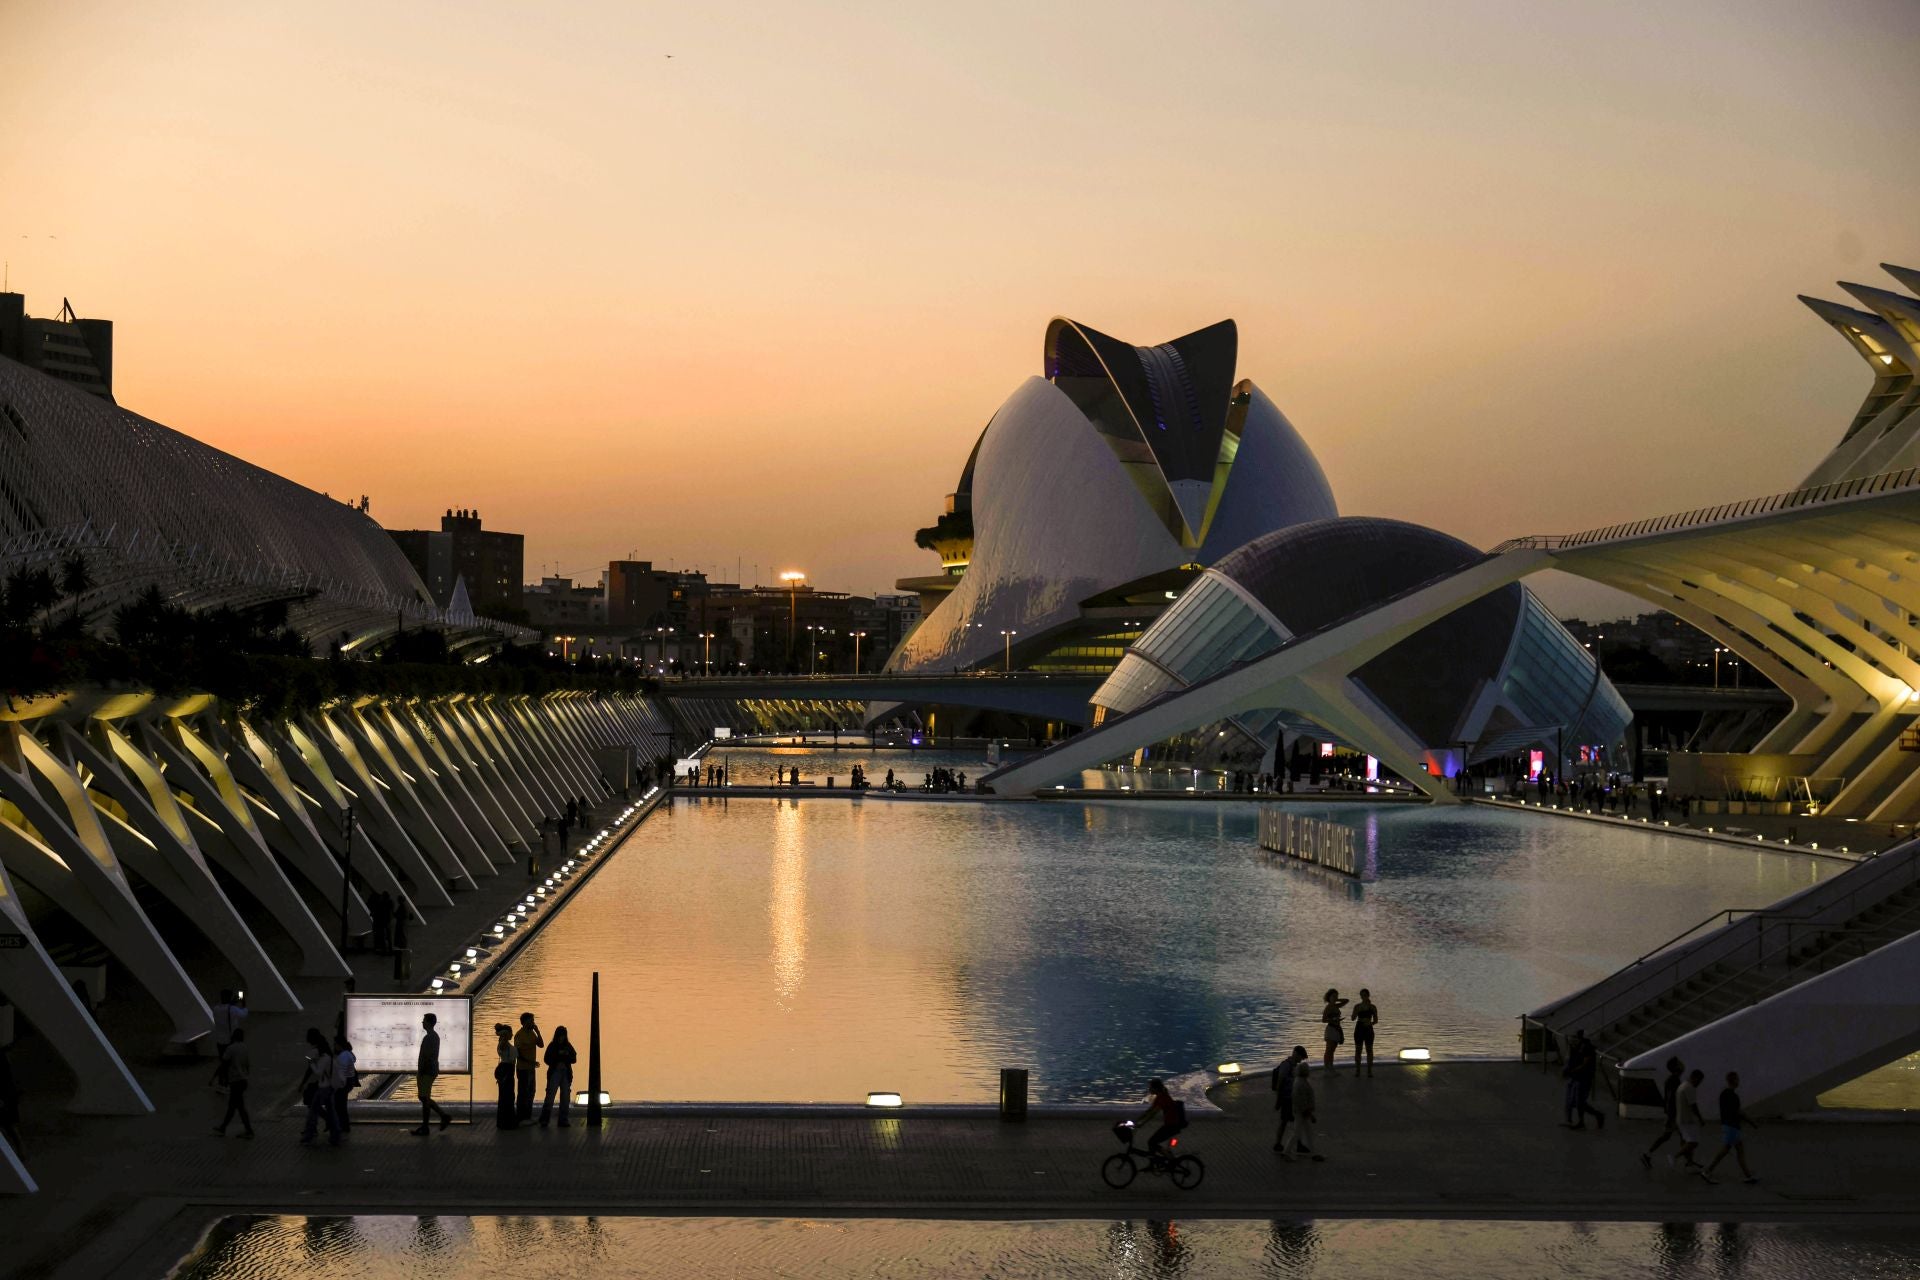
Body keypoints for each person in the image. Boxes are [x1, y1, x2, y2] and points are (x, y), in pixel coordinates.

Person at [1702, 1070, 1759, 1184]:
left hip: (1728, 1125)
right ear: (1734, 1080)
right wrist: (1752, 1122)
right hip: (1732, 1126)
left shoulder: (1723, 1094)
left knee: (1738, 1150)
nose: (1739, 1081)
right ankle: (1707, 1170)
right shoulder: (1733, 1096)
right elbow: (1739, 1112)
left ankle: (1748, 1175)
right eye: (1737, 1079)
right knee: (1726, 1150)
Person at [410, 1011, 452, 1136]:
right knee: (424, 1097)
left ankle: (428, 1125)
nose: (422, 1022)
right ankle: (439, 1118)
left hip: (427, 1071)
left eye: (424, 1020)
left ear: (428, 1022)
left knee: (424, 1098)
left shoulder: (430, 1037)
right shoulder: (433, 1036)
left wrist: (421, 1072)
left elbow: (426, 1056)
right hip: (429, 1070)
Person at [299, 1027, 341, 1146]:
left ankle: (309, 1135)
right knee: (330, 1112)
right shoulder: (326, 1056)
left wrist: (311, 1062)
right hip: (327, 1087)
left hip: (324, 1088)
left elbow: (317, 1072)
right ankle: (335, 1135)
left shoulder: (324, 1058)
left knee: (313, 1111)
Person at [1641, 1056, 1684, 1169]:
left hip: (1674, 1114)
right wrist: (1672, 1115)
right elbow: (1671, 1099)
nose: (1682, 1064)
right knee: (1678, 1137)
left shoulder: (1673, 1079)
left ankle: (1648, 1154)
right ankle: (1647, 1154)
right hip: (1674, 1114)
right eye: (1679, 1063)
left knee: (1672, 1136)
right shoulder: (1673, 1080)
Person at [212, 1028, 254, 1138]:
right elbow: (247, 1065)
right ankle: (223, 1127)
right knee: (236, 1106)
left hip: (235, 1081)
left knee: (237, 1107)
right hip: (243, 1080)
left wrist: (214, 1078)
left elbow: (223, 1064)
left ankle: (248, 1131)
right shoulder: (245, 1048)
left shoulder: (230, 1049)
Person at [1562, 1030, 1606, 1130]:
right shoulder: (1576, 1046)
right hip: (1576, 1077)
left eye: (1575, 1038)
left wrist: (1571, 1070)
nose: (1573, 1039)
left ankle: (1590, 1118)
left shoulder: (1587, 1048)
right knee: (1574, 1101)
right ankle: (1584, 1119)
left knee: (1579, 1102)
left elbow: (1584, 1064)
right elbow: (1571, 1060)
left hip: (1584, 1078)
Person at [1283, 1063, 1325, 1161]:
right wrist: (1309, 1113)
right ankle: (1286, 1152)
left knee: (1306, 1132)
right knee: (1297, 1133)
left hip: (1301, 1111)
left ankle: (1313, 1153)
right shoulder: (1301, 1083)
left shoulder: (1299, 1081)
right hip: (1302, 1112)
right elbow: (1302, 1100)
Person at [1135, 1078, 1187, 1156]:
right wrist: (1136, 1120)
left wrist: (1142, 1124)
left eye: (1150, 1087)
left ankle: (1170, 1159)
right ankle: (1153, 1163)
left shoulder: (1163, 1098)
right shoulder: (1159, 1097)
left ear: (1155, 1088)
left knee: (1152, 1142)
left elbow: (1153, 1113)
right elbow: (1149, 1111)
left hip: (1172, 1125)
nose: (1149, 1089)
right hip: (1170, 1125)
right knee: (1152, 1142)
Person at [539, 1026, 578, 1128]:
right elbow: (546, 1059)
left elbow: (574, 1058)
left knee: (565, 1097)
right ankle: (545, 1119)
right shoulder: (552, 1046)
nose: (562, 1038)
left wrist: (565, 1056)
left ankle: (563, 1120)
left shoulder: (568, 1046)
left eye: (564, 1035)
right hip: (554, 1073)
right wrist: (558, 1056)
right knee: (550, 1096)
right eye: (560, 1035)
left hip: (565, 1073)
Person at [1271, 1045, 1308, 1152]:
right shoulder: (1286, 1066)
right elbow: (1280, 1082)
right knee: (1286, 1121)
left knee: (1293, 1121)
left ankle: (1292, 1144)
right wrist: (1278, 1099)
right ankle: (1279, 1144)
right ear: (1296, 1054)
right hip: (1287, 1099)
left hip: (1292, 1098)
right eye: (1301, 1057)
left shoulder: (1293, 1066)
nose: (1301, 1060)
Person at [209, 989, 247, 1086]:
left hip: (220, 1041)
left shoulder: (216, 1009)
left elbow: (224, 1012)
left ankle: (220, 1080)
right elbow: (243, 1014)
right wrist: (242, 1003)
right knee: (233, 1061)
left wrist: (231, 1004)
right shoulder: (233, 1010)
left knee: (224, 1061)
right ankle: (225, 1081)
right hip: (230, 1040)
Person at [1674, 1067, 1707, 1172]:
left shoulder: (1682, 1086)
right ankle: (1675, 1157)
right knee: (1693, 1142)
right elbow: (1693, 1105)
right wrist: (1701, 1118)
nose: (1699, 1084)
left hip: (1680, 1119)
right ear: (1695, 1078)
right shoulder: (1689, 1088)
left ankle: (1690, 1163)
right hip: (1687, 1120)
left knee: (1687, 1142)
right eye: (1700, 1081)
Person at [513, 1012, 544, 1123]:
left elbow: (541, 1045)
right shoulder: (519, 1035)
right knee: (523, 1092)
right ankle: (520, 1116)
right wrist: (531, 1062)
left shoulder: (532, 1033)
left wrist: (538, 1031)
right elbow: (518, 1054)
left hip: (531, 1068)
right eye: (531, 1021)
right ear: (524, 1022)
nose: (533, 1023)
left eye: (533, 1020)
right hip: (523, 1069)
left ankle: (528, 1116)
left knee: (531, 1091)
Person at [493, 1024, 518, 1129]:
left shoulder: (503, 1046)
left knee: (504, 1097)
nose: (512, 1034)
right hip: (507, 1072)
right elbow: (512, 1063)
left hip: (505, 1071)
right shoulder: (504, 1046)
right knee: (507, 1097)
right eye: (510, 1032)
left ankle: (503, 1122)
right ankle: (507, 1122)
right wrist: (503, 1032)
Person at [331, 1033, 358, 1134]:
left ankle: (343, 1127)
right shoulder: (348, 1054)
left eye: (335, 1044)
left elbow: (341, 1075)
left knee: (340, 1107)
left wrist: (336, 1087)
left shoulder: (343, 1057)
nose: (334, 1046)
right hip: (348, 1082)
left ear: (339, 1045)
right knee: (341, 1106)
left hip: (343, 1084)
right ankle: (344, 1126)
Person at [0, 1045, 23, 1154]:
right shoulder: (3, 1059)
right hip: (7, 1095)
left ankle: (19, 1150)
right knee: (10, 1126)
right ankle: (19, 1150)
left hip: (5, 1096)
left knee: (9, 1126)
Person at [1351, 989, 1379, 1076]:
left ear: (1368, 995)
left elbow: (1376, 1020)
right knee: (1358, 1050)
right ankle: (1358, 1070)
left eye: (1365, 995)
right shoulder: (1357, 1006)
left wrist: (1370, 1023)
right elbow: (1352, 1018)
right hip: (1359, 1028)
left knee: (1369, 1050)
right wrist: (1357, 1011)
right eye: (1362, 995)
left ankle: (1369, 1071)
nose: (1363, 997)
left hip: (1368, 1028)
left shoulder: (1372, 1007)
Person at [1321, 989, 1349, 1070]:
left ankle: (1331, 1067)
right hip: (1331, 1029)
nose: (1335, 997)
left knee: (1332, 1050)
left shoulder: (1336, 1006)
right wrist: (1333, 1020)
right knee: (1328, 1050)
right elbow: (1323, 1020)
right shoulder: (1328, 1007)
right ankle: (1326, 1068)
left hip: (1337, 1028)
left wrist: (1337, 999)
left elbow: (1347, 1000)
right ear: (1329, 997)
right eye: (1333, 996)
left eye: (1336, 996)